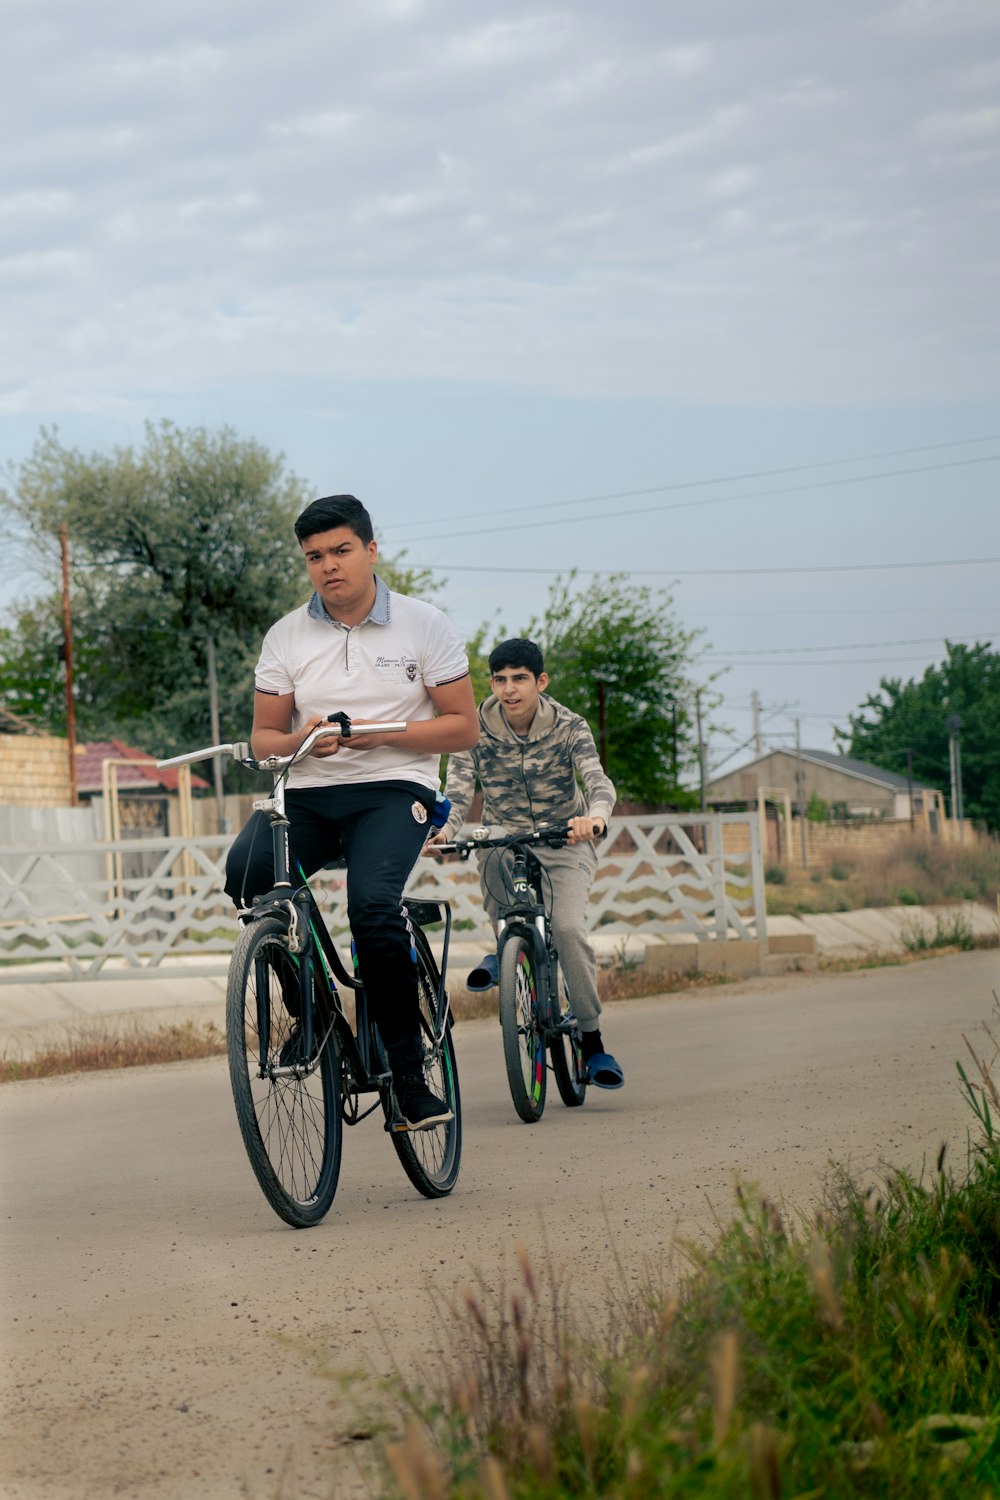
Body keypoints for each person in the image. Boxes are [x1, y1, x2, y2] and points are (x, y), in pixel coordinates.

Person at [224, 493, 478, 1129]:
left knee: (370, 908)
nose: (328, 566)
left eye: (340, 551)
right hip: (306, 793)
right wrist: (304, 739)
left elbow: (462, 728)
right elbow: (264, 738)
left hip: (396, 788)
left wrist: (380, 733)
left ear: (370, 549)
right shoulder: (286, 635)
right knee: (248, 874)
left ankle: (409, 1077)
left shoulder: (425, 625)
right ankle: (312, 1015)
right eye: (314, 557)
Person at [429, 638, 624, 1089]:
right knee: (493, 852)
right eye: (500, 679)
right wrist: (444, 832)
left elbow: (597, 781)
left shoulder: (570, 726)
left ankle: (592, 1044)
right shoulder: (472, 728)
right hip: (504, 836)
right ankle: (505, 945)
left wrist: (594, 818)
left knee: (569, 930)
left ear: (541, 682)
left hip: (564, 838)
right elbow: (458, 791)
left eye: (520, 679)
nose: (509, 689)